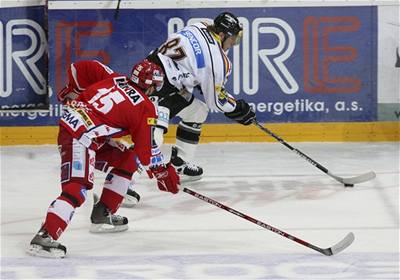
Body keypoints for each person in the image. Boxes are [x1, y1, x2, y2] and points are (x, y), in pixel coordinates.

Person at [27, 60, 180, 258]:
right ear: (150, 85)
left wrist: (72, 90)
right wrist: (163, 173)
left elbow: (80, 67)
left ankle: (102, 215)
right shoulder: (145, 107)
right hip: (79, 138)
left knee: (128, 158)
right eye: (155, 85)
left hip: (83, 132)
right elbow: (147, 151)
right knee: (77, 188)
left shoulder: (116, 78)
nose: (155, 90)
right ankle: (44, 236)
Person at [144, 11, 256, 182]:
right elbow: (216, 102)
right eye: (233, 38)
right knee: (153, 137)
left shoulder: (200, 25)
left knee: (197, 111)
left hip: (149, 74)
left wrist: (198, 80)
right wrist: (239, 109)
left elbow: (190, 58)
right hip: (158, 89)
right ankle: (122, 180)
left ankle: (180, 163)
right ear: (222, 34)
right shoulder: (219, 61)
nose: (233, 43)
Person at [57, 60, 141, 208]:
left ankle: (115, 195)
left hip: (89, 133)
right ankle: (60, 214)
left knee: (128, 157)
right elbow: (77, 69)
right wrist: (75, 91)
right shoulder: (108, 79)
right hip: (79, 135)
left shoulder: (125, 93)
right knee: (76, 188)